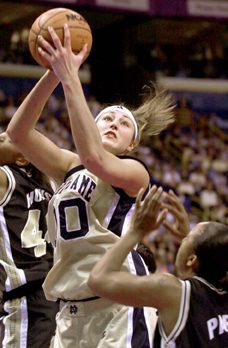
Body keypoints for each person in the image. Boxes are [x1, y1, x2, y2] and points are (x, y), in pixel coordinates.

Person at [6, 24, 175, 348]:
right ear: (91, 124)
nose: (113, 123)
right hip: (71, 306)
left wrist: (71, 76)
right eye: (107, 117)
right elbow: (18, 133)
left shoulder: (134, 172)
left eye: (124, 124)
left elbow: (94, 157)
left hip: (119, 296)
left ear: (130, 145)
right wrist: (55, 73)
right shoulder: (68, 165)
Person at [88, 187, 228, 347]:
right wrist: (192, 241)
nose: (182, 240)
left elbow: (98, 279)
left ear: (192, 260)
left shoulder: (172, 291)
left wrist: (135, 232)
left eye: (187, 238)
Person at [0, 132, 59, 348]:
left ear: (22, 159)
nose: (1, 136)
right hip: (49, 292)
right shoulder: (50, 186)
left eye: (7, 138)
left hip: (26, 296)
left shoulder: (5, 176)